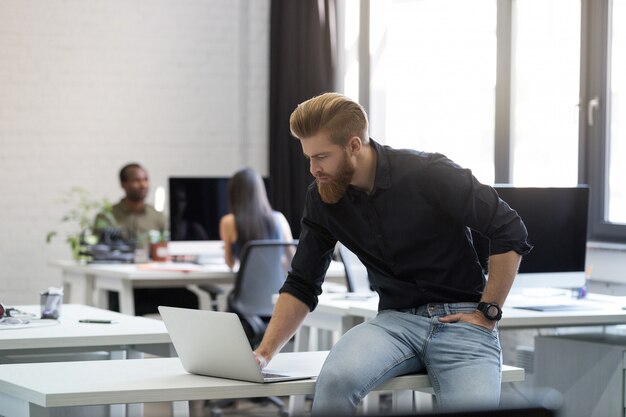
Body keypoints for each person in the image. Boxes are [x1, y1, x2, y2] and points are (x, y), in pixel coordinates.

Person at [253, 93, 532, 415]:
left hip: (462, 319)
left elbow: (509, 229)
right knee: (334, 383)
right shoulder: (322, 198)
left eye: (322, 157)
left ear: (354, 145)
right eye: (309, 158)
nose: (314, 169)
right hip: (393, 323)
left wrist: (488, 312)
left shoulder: (428, 172)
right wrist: (263, 353)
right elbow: (302, 281)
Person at [95, 163, 199, 315]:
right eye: (137, 180)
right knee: (121, 303)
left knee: (188, 299)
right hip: (123, 282)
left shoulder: (157, 216)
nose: (143, 185)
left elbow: (168, 248)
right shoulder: (107, 216)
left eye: (145, 180)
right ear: (123, 184)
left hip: (155, 281)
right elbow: (100, 251)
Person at [219, 167, 293, 269]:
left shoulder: (228, 222)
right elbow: (291, 258)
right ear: (260, 191)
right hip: (278, 284)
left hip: (248, 284)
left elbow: (230, 263)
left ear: (233, 193)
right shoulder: (279, 218)